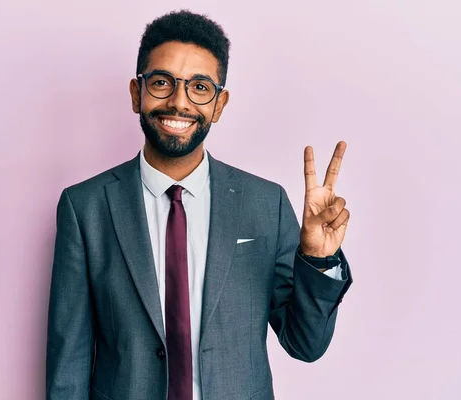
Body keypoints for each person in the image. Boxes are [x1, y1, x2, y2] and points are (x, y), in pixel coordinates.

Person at [46, 9, 353, 400]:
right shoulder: (84, 207)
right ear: (136, 94)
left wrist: (317, 260)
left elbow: (306, 344)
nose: (179, 102)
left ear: (219, 105)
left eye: (200, 87)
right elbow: (67, 364)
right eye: (161, 82)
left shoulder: (265, 203)